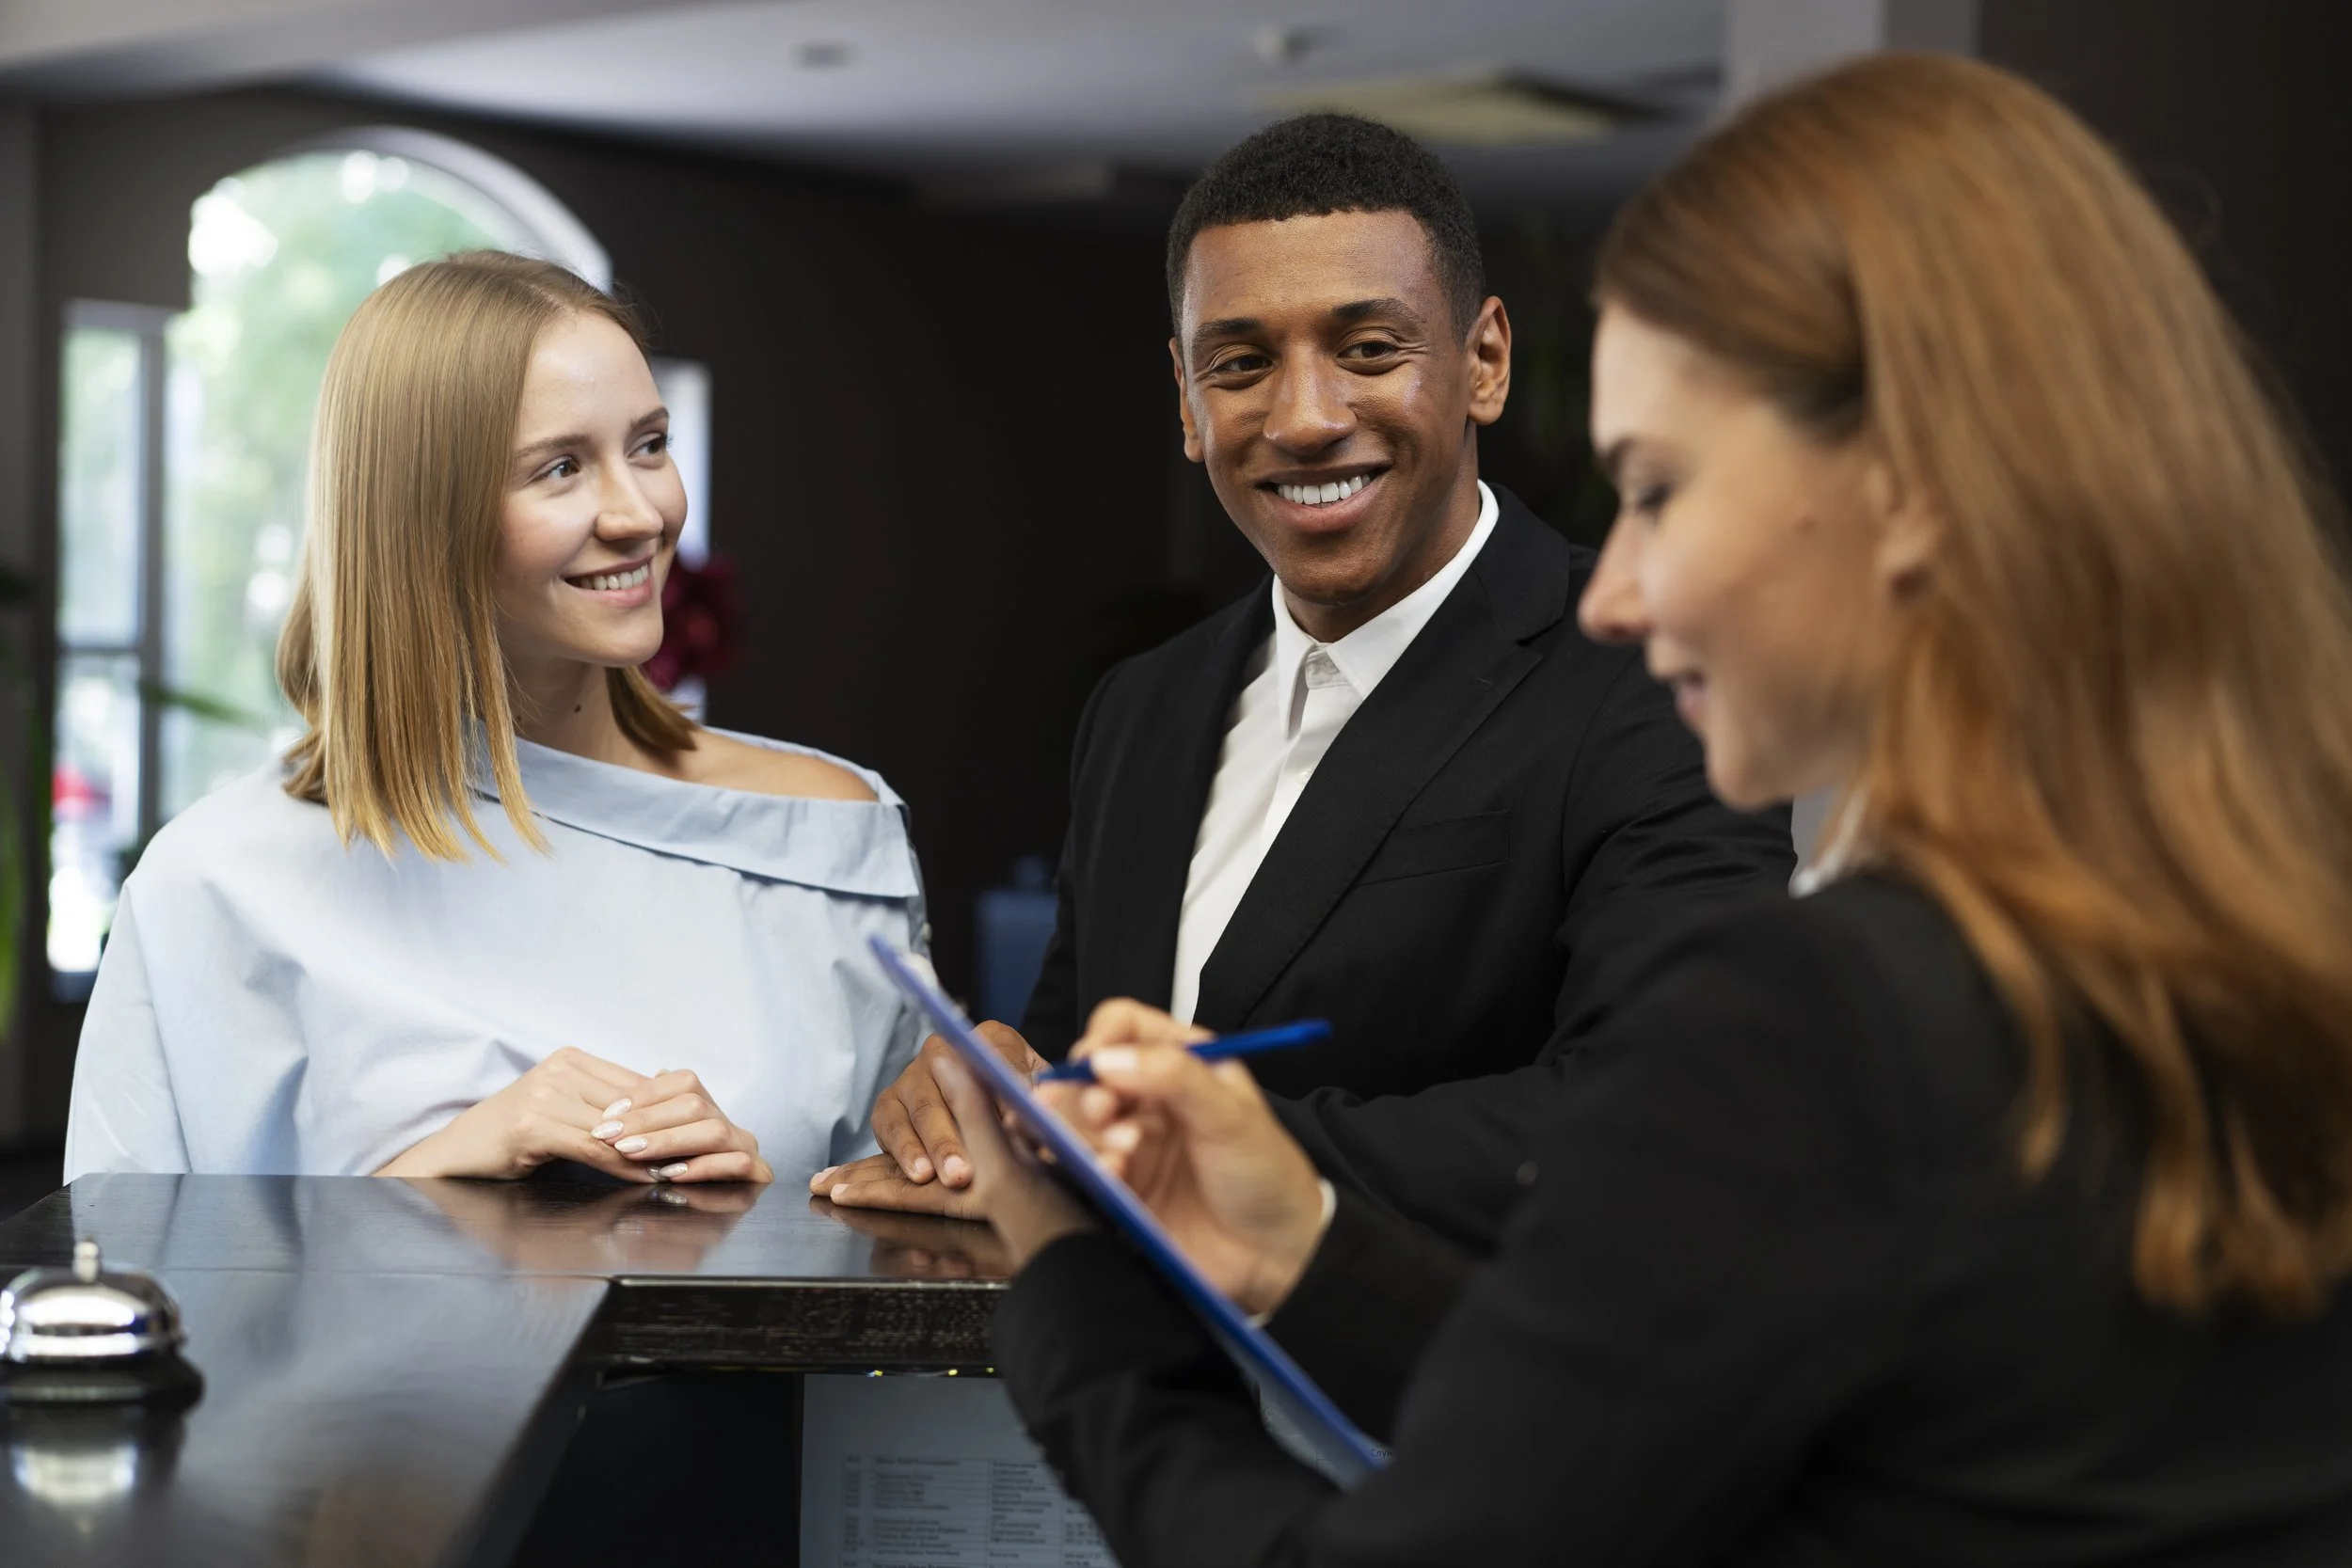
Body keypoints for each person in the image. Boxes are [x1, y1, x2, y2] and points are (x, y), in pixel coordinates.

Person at [936, 54, 2352, 1565]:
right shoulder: (2243, 946)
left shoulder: (1839, 1014)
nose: (1612, 584)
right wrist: (1295, 1247)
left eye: (1660, 489)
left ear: (1910, 487)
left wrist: (1072, 1300)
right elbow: (1692, 1455)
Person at [818, 115, 1794, 1247]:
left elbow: (1666, 1109)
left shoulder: (1655, 681)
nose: (1305, 418)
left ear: (1483, 361)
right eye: (1239, 364)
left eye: (1370, 349)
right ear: (1187, 401)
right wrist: (995, 1102)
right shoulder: (1142, 708)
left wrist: (1183, 1155)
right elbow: (1076, 1069)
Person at [64, 252, 926, 1186]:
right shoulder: (217, 880)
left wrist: (758, 1225)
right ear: (421, 518)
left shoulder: (829, 833)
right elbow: (125, 1288)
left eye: (649, 443)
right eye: (561, 467)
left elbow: (910, 1263)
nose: (642, 512)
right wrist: (440, 1174)